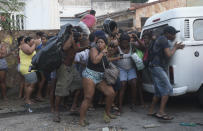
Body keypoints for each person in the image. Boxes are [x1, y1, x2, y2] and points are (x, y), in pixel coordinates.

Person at [53, 27, 90, 122]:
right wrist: (72, 37)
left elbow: (76, 50)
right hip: (64, 68)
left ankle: (73, 107)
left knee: (80, 86)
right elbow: (65, 48)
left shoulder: (74, 43)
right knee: (60, 92)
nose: (82, 38)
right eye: (80, 36)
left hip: (72, 67)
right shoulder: (69, 41)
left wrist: (86, 47)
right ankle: (56, 112)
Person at [147, 26, 184, 120]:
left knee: (158, 91)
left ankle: (151, 110)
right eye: (173, 34)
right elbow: (168, 54)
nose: (175, 36)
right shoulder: (163, 40)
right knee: (168, 88)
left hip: (153, 66)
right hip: (157, 67)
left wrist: (175, 47)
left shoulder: (159, 38)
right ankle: (161, 112)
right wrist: (175, 47)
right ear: (167, 34)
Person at [79, 36, 116, 126]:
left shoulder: (105, 51)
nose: (99, 44)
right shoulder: (93, 49)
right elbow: (95, 61)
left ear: (105, 44)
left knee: (111, 93)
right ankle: (81, 120)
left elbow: (106, 62)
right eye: (98, 42)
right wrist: (102, 53)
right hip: (90, 75)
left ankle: (107, 113)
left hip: (100, 77)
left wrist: (114, 56)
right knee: (88, 97)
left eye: (102, 42)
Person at [115, 33, 138, 115]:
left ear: (129, 42)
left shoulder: (132, 47)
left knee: (134, 83)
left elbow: (142, 47)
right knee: (123, 84)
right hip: (121, 69)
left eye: (126, 42)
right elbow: (110, 53)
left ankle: (133, 103)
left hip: (131, 69)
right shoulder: (117, 48)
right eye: (123, 42)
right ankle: (120, 106)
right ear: (120, 42)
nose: (124, 44)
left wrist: (136, 39)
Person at [19, 37, 38, 106]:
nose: (33, 42)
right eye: (32, 41)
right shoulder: (24, 45)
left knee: (27, 84)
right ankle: (27, 100)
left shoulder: (28, 46)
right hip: (27, 68)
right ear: (28, 42)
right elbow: (30, 52)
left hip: (28, 68)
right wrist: (35, 44)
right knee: (32, 84)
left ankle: (26, 97)